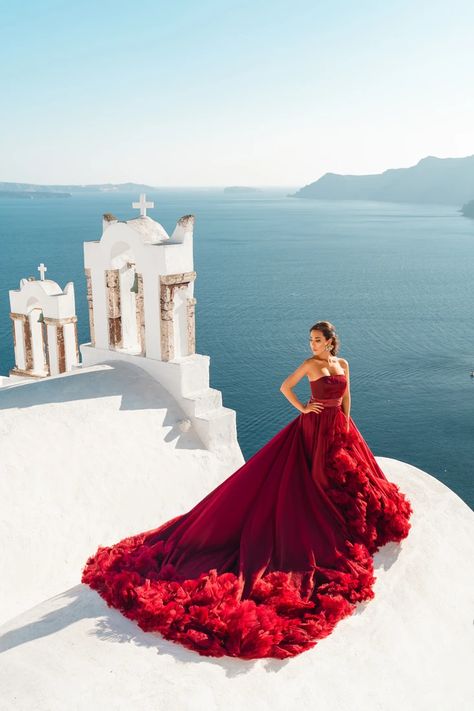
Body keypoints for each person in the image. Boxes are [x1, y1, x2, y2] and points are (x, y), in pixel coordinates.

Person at [81, 320, 413, 660]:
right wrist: (303, 409)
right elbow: (285, 387)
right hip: (313, 427)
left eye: (317, 340)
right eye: (310, 340)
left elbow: (346, 396)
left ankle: (336, 508)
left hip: (337, 427)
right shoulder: (311, 365)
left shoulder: (342, 365)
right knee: (314, 479)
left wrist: (345, 422)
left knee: (346, 477)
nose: (312, 345)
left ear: (331, 341)